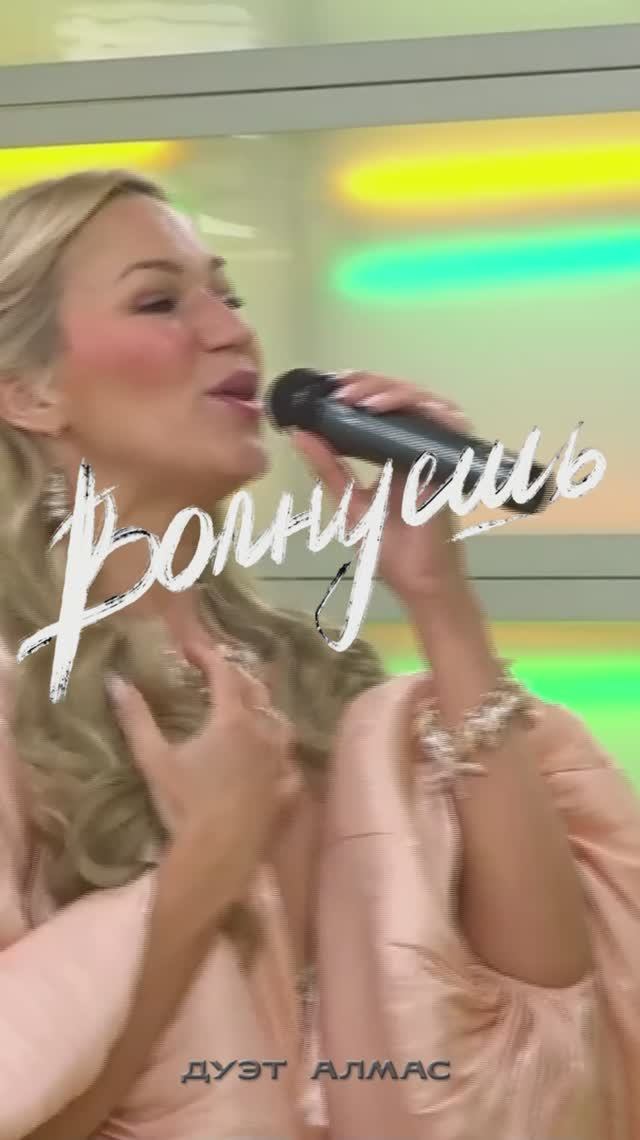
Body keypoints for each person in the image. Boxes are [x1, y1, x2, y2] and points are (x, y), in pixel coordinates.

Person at [0, 169, 637, 1140]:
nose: (230, 331)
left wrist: (440, 600)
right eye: (160, 301)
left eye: (229, 296)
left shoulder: (311, 679)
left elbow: (544, 999)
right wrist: (206, 865)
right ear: (29, 392)